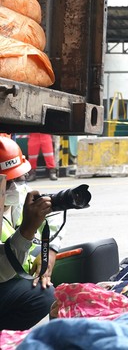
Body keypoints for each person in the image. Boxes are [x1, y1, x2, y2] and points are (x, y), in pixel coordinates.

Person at [0, 135, 56, 330]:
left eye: (19, 178)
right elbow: (2, 272)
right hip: (4, 275)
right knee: (43, 296)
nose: (16, 187)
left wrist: (49, 253)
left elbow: (52, 217)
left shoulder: (17, 193)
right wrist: (28, 230)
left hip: (13, 271)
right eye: (8, 182)